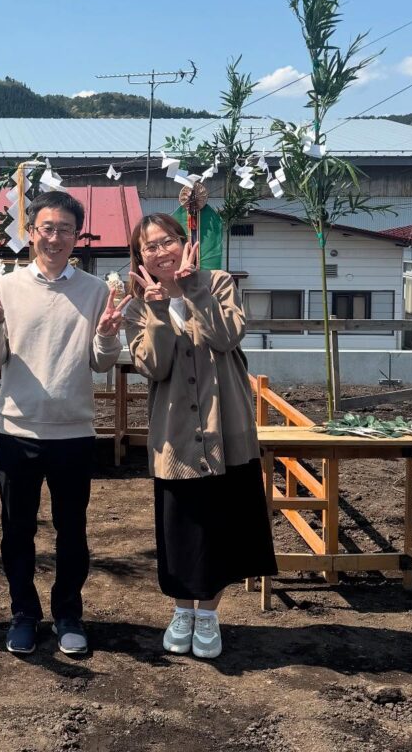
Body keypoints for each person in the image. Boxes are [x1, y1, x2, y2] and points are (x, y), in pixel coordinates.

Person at [0, 190, 131, 656]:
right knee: (16, 530)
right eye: (47, 228)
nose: (56, 237)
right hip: (17, 431)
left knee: (72, 531)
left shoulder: (95, 290)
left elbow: (101, 363)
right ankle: (23, 614)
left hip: (74, 433)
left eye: (65, 229)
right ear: (32, 233)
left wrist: (106, 336)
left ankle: (68, 614)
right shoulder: (6, 286)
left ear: (76, 236)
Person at [122, 213, 276, 659]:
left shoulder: (219, 283)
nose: (161, 251)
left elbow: (226, 336)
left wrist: (194, 290)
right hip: (175, 436)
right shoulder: (137, 305)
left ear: (183, 242)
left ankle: (207, 615)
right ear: (141, 257)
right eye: (149, 247)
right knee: (181, 529)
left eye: (167, 240)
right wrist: (154, 311)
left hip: (225, 429)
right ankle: (182, 611)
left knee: (222, 528)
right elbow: (155, 366)